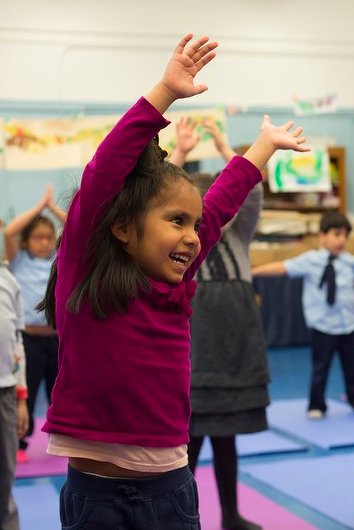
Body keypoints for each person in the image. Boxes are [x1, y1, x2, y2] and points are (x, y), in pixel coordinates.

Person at [37, 34, 308, 528]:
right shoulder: (88, 273)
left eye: (193, 224)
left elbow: (220, 204)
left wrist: (262, 148)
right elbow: (103, 173)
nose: (191, 237)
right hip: (95, 494)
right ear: (121, 227)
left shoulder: (175, 285)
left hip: (170, 491)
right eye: (175, 222)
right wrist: (164, 91)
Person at [170, 118, 270, 530]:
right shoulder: (180, 242)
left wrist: (229, 148)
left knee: (226, 439)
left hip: (235, 342)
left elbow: (253, 191)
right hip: (195, 344)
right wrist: (179, 154)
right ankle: (181, 518)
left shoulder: (239, 234)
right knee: (186, 442)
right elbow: (159, 196)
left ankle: (230, 514)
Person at [251, 211, 354, 418]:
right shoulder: (310, 260)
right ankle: (316, 405)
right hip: (322, 326)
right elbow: (282, 267)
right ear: (321, 236)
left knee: (352, 367)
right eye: (336, 234)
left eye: (345, 235)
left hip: (349, 324)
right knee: (320, 368)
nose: (341, 240)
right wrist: (253, 272)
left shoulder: (350, 262)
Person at [3, 185, 65, 462]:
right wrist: (40, 207)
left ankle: (63, 438)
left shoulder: (59, 259)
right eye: (38, 237)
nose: (44, 242)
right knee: (25, 392)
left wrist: (54, 211)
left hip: (56, 338)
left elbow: (80, 227)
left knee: (60, 391)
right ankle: (20, 443)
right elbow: (8, 231)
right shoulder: (18, 261)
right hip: (28, 339)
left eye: (49, 237)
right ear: (27, 242)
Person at [0, 263, 29, 530]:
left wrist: (22, 398)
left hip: (6, 392)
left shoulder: (8, 279)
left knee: (4, 476)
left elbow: (17, 342)